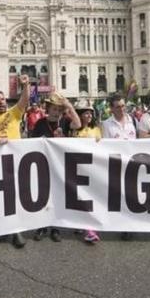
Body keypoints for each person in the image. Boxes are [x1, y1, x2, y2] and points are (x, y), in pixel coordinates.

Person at [0, 74, 31, 248]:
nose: (2, 102)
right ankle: (2, 229)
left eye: (3, 99)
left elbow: (24, 101)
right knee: (0, 197)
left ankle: (17, 231)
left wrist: (26, 85)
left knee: (15, 196)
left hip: (16, 161)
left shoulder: (14, 113)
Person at [29, 92, 80, 243]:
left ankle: (56, 228)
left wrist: (69, 105)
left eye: (59, 109)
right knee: (44, 197)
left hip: (60, 165)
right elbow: (32, 143)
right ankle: (42, 226)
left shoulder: (64, 121)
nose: (57, 112)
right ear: (48, 109)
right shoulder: (40, 123)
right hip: (44, 165)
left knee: (57, 196)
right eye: (54, 109)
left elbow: (77, 124)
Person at [73, 102, 102, 244]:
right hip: (77, 168)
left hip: (92, 168)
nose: (89, 115)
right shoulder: (75, 128)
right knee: (79, 197)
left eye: (91, 113)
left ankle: (90, 230)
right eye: (85, 113)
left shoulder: (96, 129)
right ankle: (81, 223)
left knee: (90, 198)